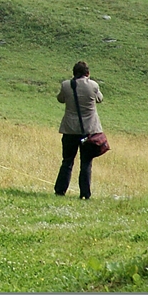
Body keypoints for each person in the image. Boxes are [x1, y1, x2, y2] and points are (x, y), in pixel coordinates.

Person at [55, 61, 103, 199]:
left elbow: (60, 99)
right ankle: (84, 194)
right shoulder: (93, 85)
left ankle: (60, 190)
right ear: (87, 73)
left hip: (69, 129)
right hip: (88, 130)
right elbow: (100, 99)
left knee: (67, 161)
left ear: (73, 73)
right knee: (86, 163)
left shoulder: (66, 85)